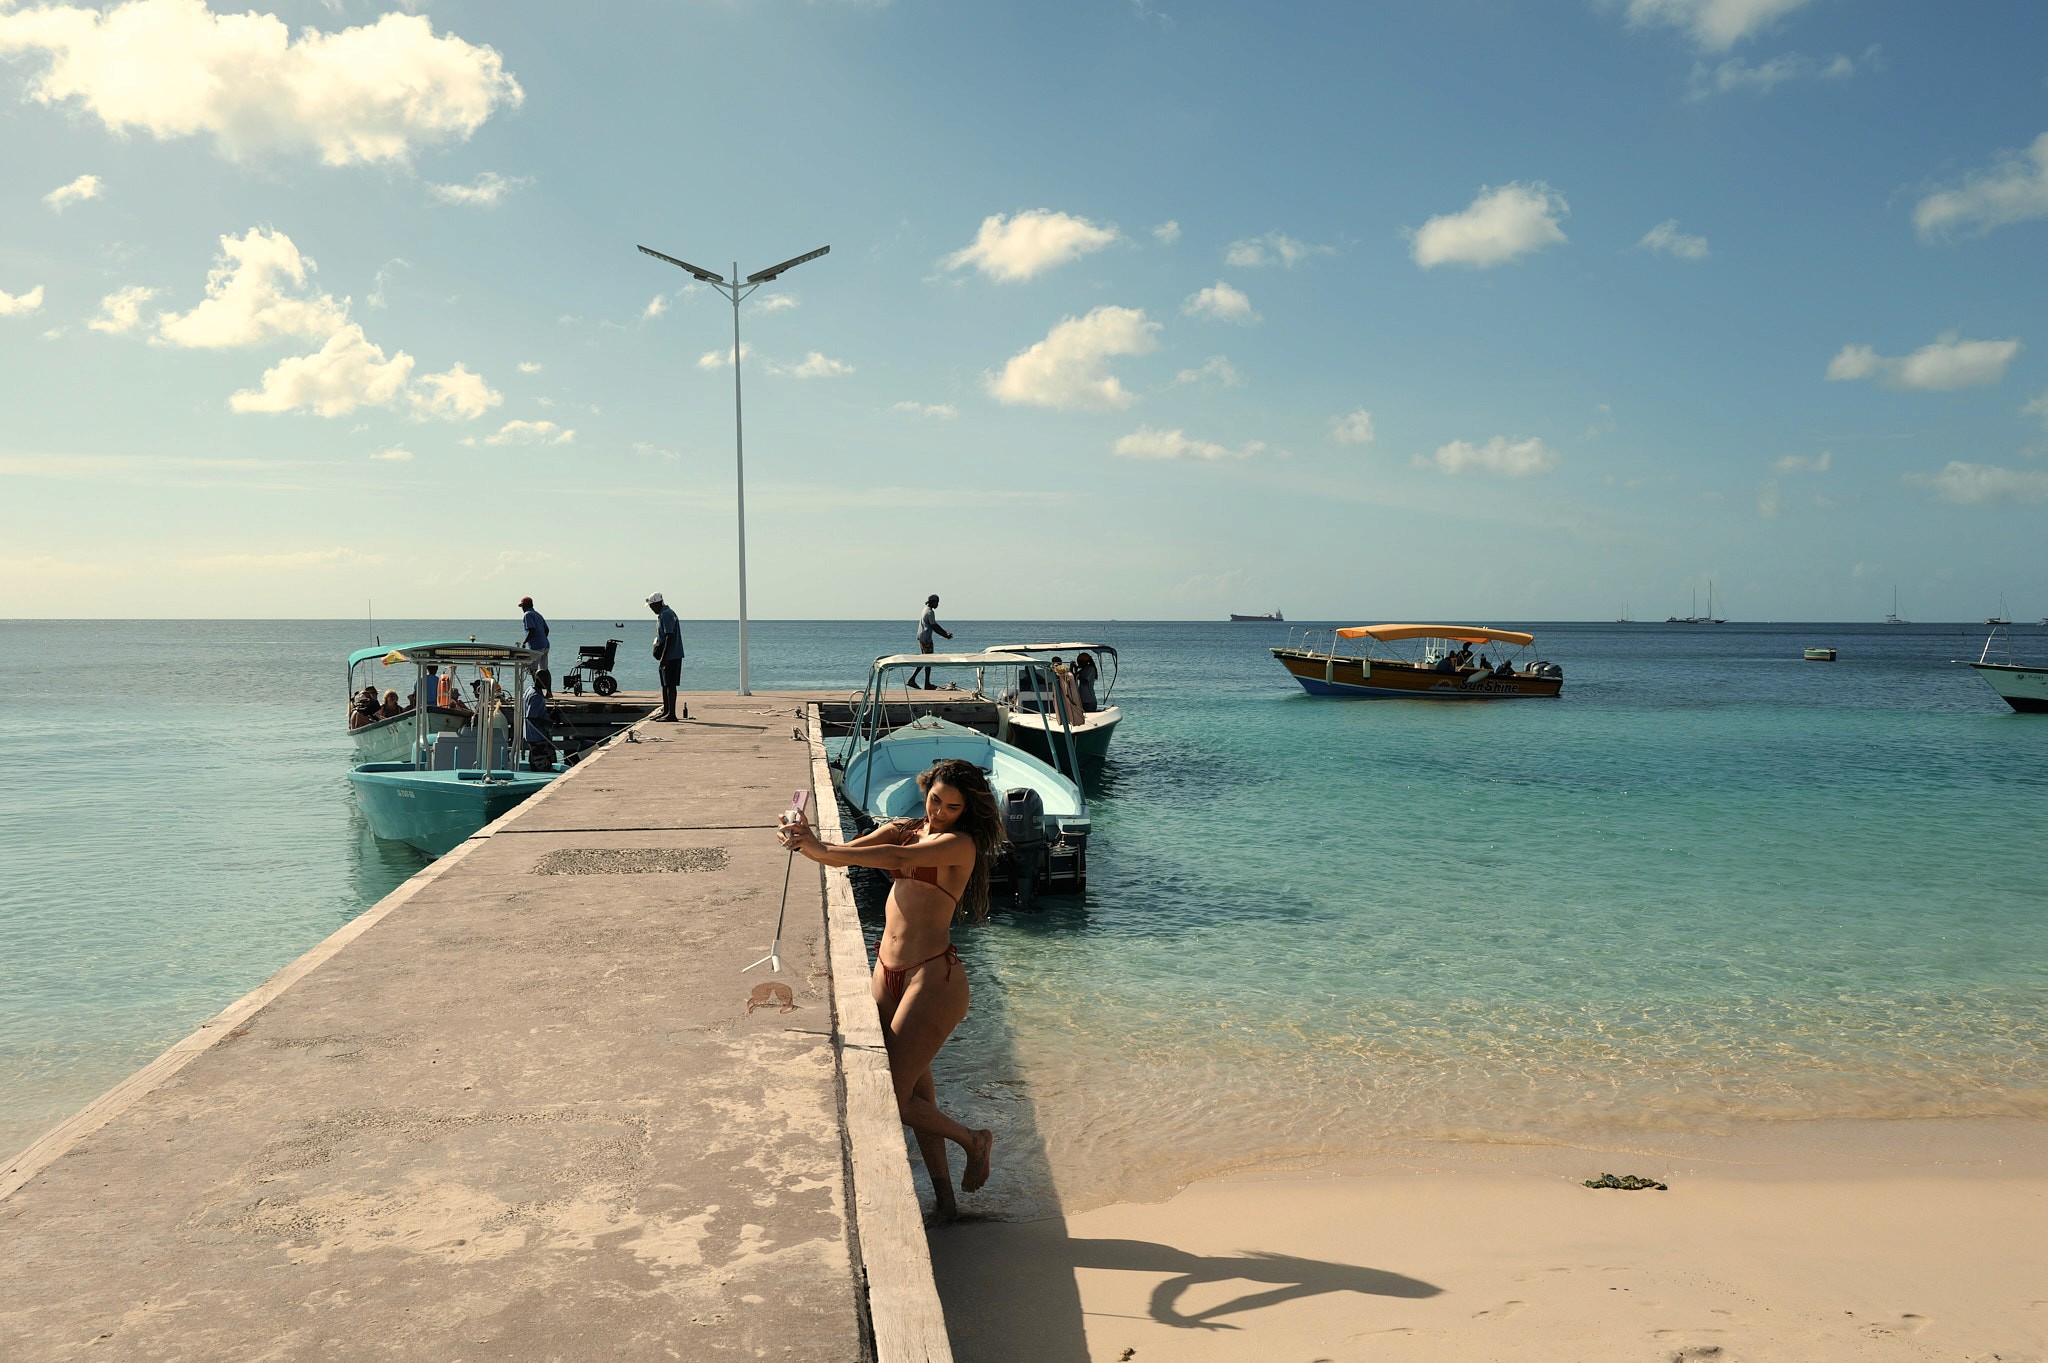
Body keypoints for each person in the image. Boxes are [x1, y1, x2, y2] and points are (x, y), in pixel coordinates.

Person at [778, 757, 1003, 1217]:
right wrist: (805, 840)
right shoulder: (904, 829)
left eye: (953, 807)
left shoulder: (959, 844)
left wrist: (817, 848)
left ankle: (974, 1140)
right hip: (887, 971)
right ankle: (946, 1206)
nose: (940, 812)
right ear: (926, 789)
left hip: (932, 978)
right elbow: (846, 852)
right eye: (935, 800)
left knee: (893, 1098)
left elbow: (896, 861)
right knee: (917, 1098)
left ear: (967, 811)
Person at [648, 592, 684, 721]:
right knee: (665, 684)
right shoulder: (665, 614)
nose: (651, 609)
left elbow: (670, 635)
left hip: (671, 656)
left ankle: (671, 714)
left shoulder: (666, 615)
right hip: (670, 655)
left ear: (658, 603)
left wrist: (664, 656)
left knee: (670, 684)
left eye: (652, 606)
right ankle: (666, 711)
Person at [910, 594, 952, 689]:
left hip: (922, 637)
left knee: (925, 659)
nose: (937, 604)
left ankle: (917, 681)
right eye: (936, 602)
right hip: (926, 639)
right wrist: (945, 634)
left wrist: (944, 634)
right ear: (932, 602)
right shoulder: (930, 612)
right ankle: (924, 683)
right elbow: (934, 626)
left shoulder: (925, 609)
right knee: (928, 660)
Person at [518, 596, 551, 695]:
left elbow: (531, 630)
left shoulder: (527, 615)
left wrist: (524, 642)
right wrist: (542, 638)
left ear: (526, 606)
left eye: (523, 606)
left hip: (536, 646)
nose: (522, 609)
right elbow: (547, 630)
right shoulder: (538, 614)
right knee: (544, 669)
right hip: (545, 644)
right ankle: (549, 692)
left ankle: (538, 691)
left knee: (533, 669)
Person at [522, 682, 556, 768]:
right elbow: (531, 717)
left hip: (530, 736)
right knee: (543, 766)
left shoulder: (530, 689)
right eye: (546, 679)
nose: (548, 682)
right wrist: (548, 723)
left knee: (534, 763)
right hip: (538, 737)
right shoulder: (536, 696)